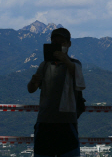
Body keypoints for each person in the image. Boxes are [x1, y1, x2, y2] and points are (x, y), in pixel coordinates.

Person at [27, 27, 86, 157]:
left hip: (66, 122)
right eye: (55, 43)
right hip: (45, 121)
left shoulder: (75, 64)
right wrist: (33, 81)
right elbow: (31, 89)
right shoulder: (44, 65)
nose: (58, 45)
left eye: (62, 42)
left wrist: (65, 59)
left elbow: (79, 79)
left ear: (69, 44)